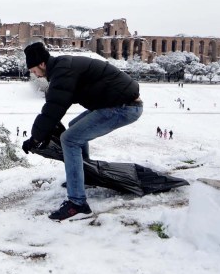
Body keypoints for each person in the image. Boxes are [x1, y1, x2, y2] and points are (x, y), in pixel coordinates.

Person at [21, 42, 143, 221]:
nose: (34, 74)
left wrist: (35, 138)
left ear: (41, 64)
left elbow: (53, 109)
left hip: (124, 106)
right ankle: (84, 177)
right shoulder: (61, 68)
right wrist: (41, 133)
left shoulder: (62, 71)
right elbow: (54, 104)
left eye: (33, 70)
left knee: (70, 140)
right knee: (73, 128)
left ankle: (78, 204)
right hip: (116, 103)